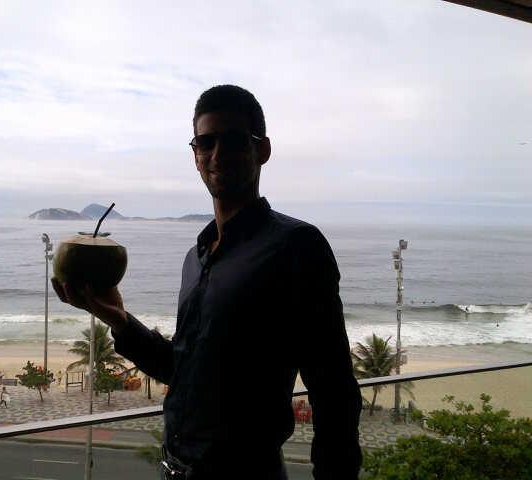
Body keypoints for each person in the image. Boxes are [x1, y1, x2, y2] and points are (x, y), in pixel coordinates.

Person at [52, 85, 362, 479]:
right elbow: (183, 372)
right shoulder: (196, 258)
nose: (217, 154)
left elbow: (333, 390)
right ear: (195, 154)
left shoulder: (296, 246)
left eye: (233, 140)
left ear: (262, 150)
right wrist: (119, 319)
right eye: (205, 142)